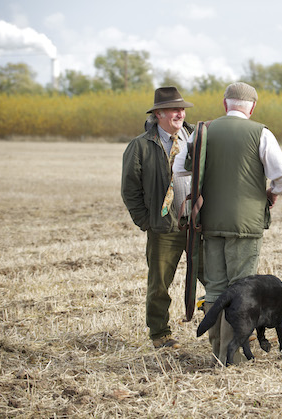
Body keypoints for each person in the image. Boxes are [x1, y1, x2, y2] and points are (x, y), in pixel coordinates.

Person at [173, 81, 282, 365]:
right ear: (252, 107)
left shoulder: (203, 131)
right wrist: (271, 192)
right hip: (246, 224)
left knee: (215, 287)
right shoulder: (260, 132)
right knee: (240, 289)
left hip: (210, 222)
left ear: (225, 104)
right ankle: (231, 356)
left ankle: (217, 351)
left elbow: (180, 169)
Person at [121, 87, 197, 349]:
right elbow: (130, 189)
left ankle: (225, 325)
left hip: (197, 224)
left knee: (213, 277)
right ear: (158, 114)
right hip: (163, 227)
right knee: (160, 283)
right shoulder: (140, 146)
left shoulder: (197, 139)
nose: (180, 113)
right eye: (174, 109)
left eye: (182, 109)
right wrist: (146, 220)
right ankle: (160, 334)